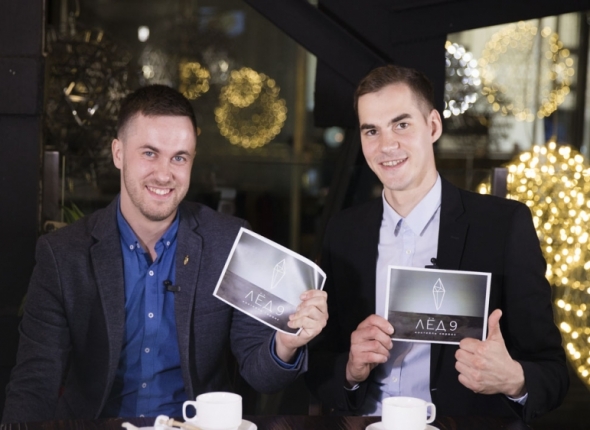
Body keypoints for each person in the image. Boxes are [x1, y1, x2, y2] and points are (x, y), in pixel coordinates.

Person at [2, 85, 328, 423]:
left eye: (179, 158)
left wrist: (286, 343)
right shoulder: (63, 254)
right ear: (118, 153)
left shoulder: (228, 241)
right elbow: (35, 380)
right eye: (149, 153)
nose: (164, 174)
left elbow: (262, 377)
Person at [306, 65, 568, 422]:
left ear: (432, 126)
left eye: (401, 125)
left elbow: (553, 375)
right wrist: (350, 370)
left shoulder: (503, 226)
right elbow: (318, 363)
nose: (386, 145)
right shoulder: (345, 231)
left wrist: (512, 379)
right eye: (372, 131)